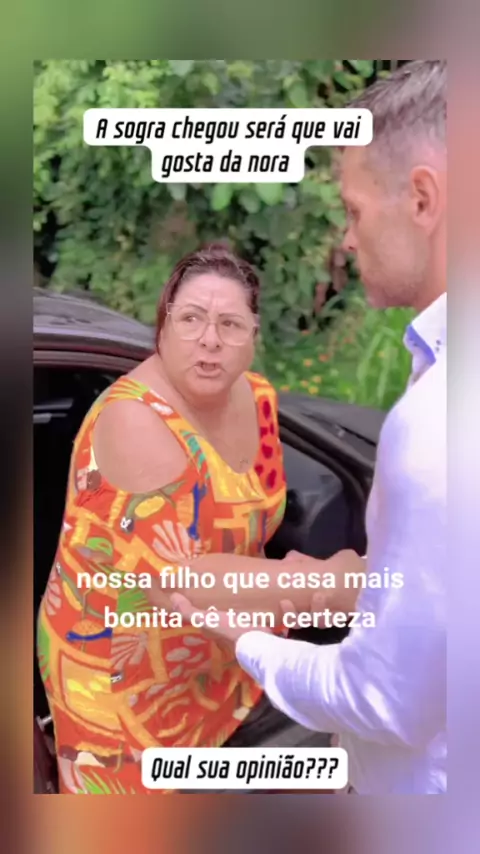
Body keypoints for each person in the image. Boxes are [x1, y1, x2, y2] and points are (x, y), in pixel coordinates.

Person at [173, 60, 447, 795]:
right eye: (194, 320)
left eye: (354, 211)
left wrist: (251, 639)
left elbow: (387, 700)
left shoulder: (433, 421)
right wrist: (335, 584)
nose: (347, 240)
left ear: (422, 199)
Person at [37, 242, 357, 794]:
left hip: (216, 656)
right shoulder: (134, 421)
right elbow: (180, 580)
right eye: (190, 319)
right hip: (122, 673)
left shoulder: (256, 398)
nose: (210, 339)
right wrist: (330, 584)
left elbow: (254, 521)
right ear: (163, 328)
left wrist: (278, 583)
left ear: (253, 336)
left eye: (230, 324)